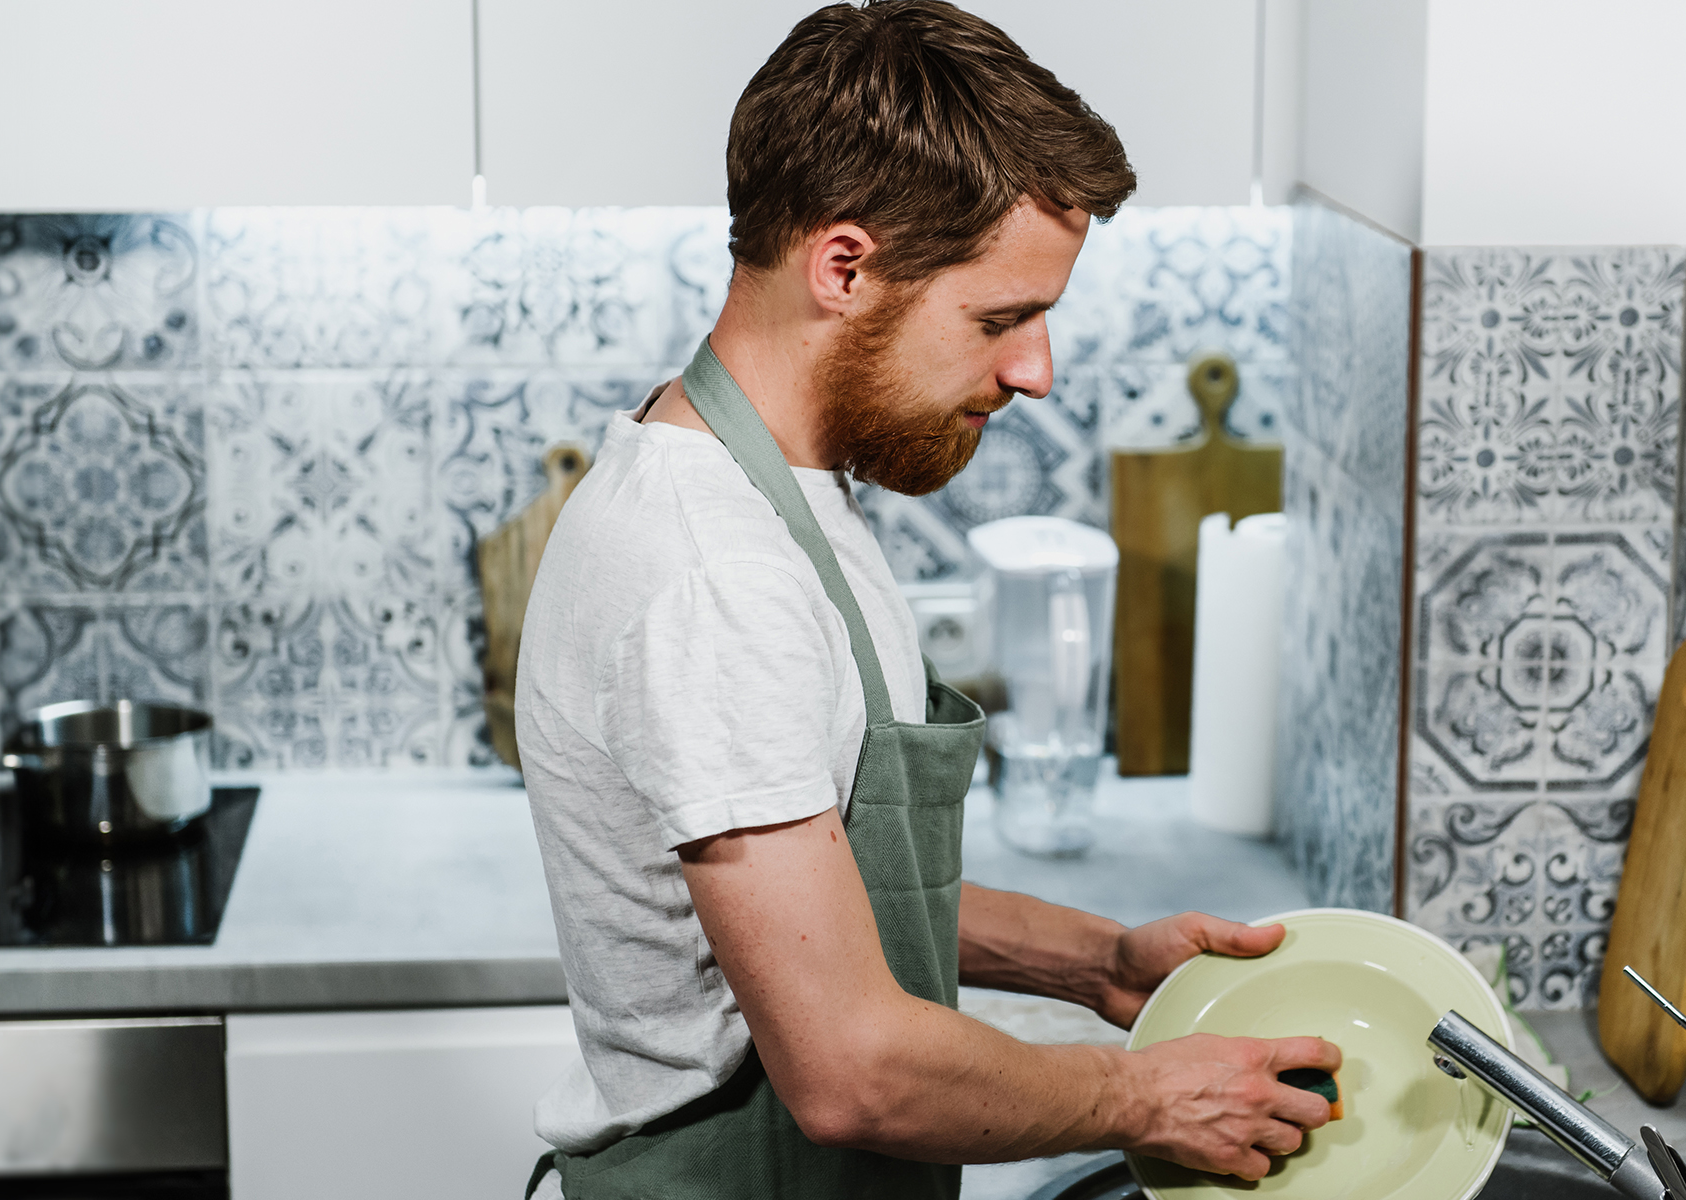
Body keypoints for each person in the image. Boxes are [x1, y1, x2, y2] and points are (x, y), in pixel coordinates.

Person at [516, 4, 1340, 1196]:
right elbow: (852, 1068)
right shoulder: (717, 574)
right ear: (843, 266)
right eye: (1001, 319)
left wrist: (1097, 963)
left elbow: (822, 893)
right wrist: (1146, 1095)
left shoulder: (774, 493)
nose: (1034, 371)